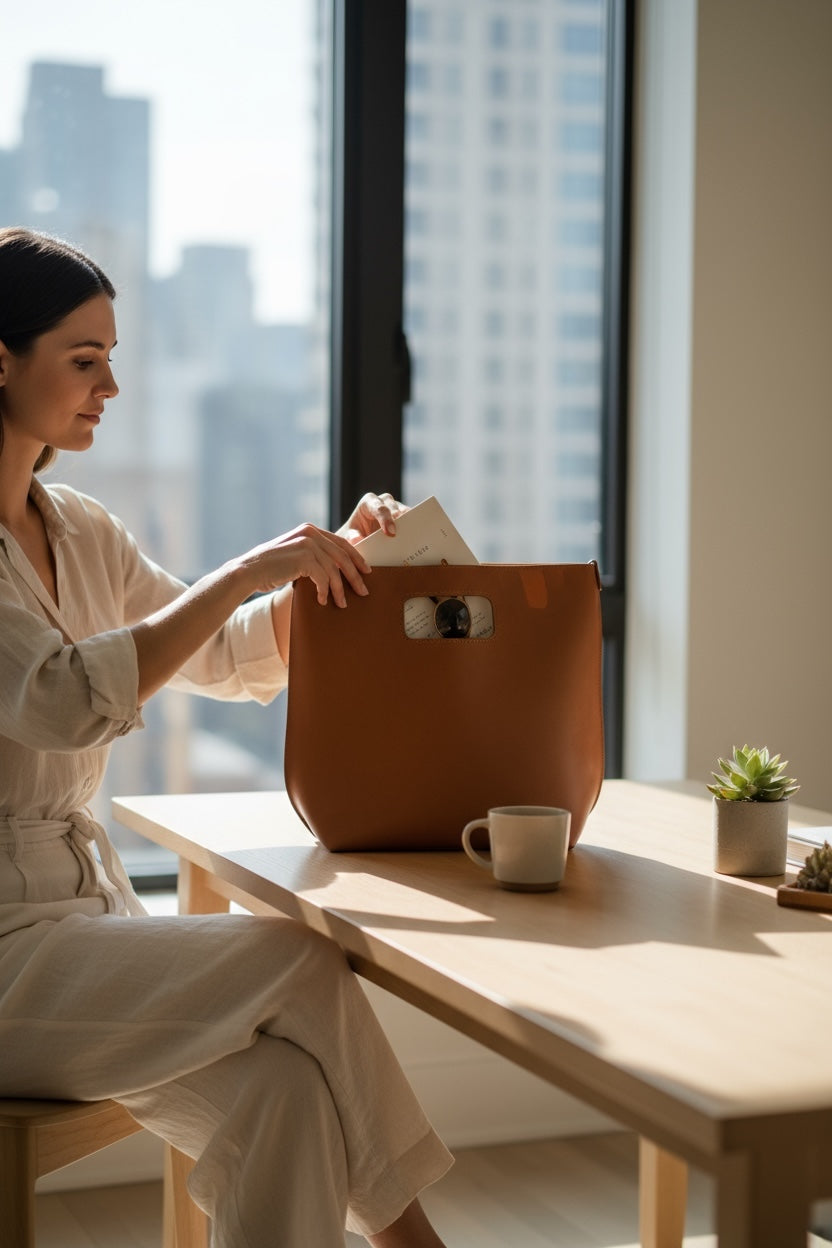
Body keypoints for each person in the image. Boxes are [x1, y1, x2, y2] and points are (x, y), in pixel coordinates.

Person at [0, 226, 453, 1247]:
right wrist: (249, 568)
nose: (108, 386)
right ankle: (416, 1242)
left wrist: (338, 566)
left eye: (112, 360)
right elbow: (66, 698)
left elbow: (227, 654)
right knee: (298, 960)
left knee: (282, 1094)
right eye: (83, 360)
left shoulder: (79, 527)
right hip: (5, 957)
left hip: (84, 929)